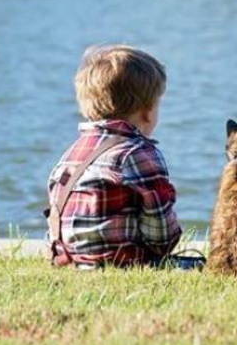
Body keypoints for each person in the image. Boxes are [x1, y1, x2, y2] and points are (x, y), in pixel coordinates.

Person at [46, 45, 183, 268]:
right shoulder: (138, 152)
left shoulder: (73, 153)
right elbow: (162, 238)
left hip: (69, 262)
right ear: (147, 111)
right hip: (122, 263)